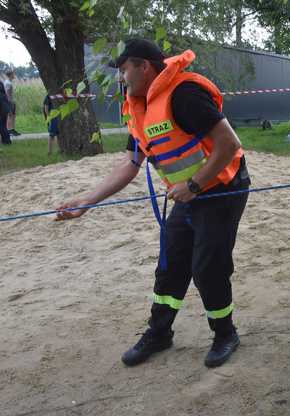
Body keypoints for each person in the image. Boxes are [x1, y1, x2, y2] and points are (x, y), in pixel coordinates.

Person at [55, 38, 251, 369]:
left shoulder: (184, 94)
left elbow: (229, 144)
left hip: (222, 188)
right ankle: (160, 333)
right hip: (190, 193)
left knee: (207, 266)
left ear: (144, 66)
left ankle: (225, 334)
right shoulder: (140, 106)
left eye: (124, 68)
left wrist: (193, 184)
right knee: (171, 263)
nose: (121, 77)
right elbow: (131, 165)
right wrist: (86, 200)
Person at [3, 70, 19, 136]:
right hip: (9, 101)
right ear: (10, 75)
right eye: (13, 74)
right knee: (10, 116)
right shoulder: (8, 83)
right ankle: (10, 130)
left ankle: (12, 129)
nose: (14, 75)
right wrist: (10, 101)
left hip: (10, 101)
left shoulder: (8, 82)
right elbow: (7, 93)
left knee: (13, 115)